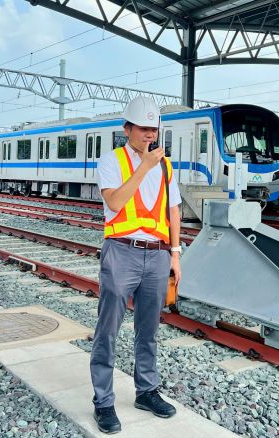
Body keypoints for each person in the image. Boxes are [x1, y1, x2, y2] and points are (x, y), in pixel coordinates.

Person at [90, 96, 182, 434]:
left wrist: (175, 254)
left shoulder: (168, 167)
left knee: (149, 331)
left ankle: (146, 391)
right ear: (127, 128)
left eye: (153, 129)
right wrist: (144, 166)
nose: (149, 135)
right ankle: (103, 401)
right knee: (108, 330)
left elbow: (173, 211)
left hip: (157, 255)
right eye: (142, 128)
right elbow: (114, 202)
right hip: (121, 252)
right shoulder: (111, 161)